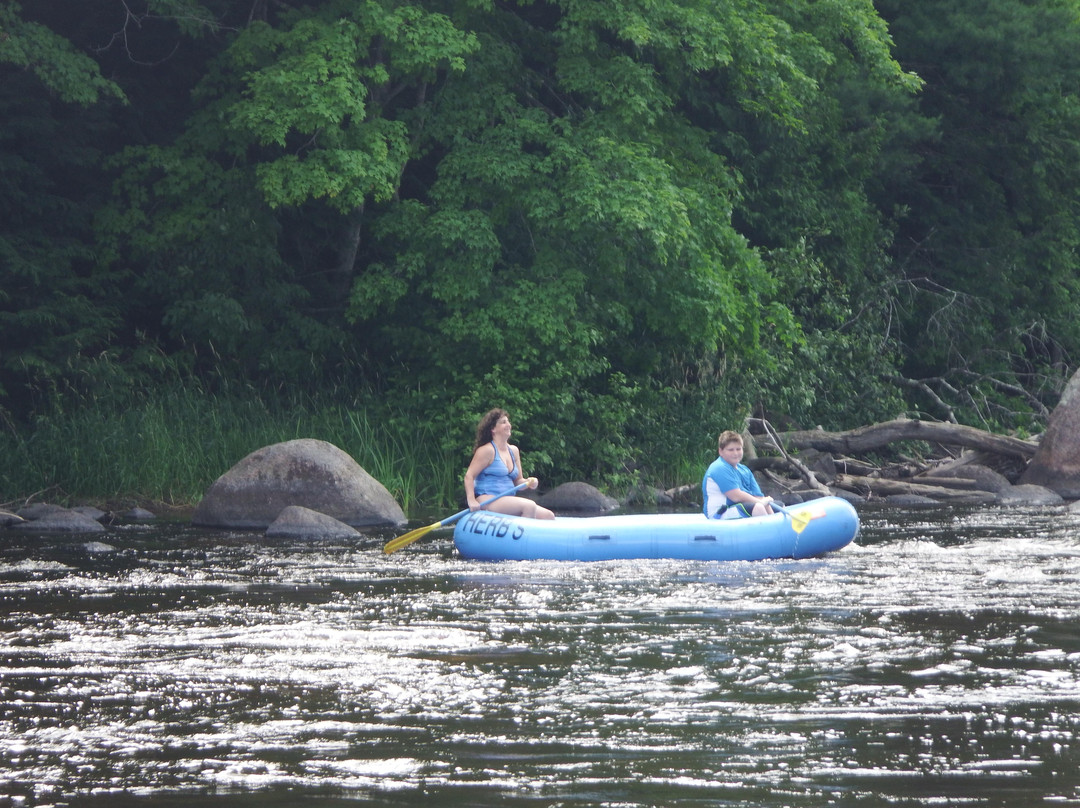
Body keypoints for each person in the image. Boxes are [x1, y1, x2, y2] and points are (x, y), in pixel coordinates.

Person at [464, 408, 555, 520]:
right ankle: (522, 536)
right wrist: (471, 500)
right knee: (529, 506)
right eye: (503, 422)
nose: (508, 425)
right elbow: (469, 476)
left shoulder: (514, 451)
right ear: (493, 429)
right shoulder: (487, 450)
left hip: (506, 499)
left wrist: (529, 482)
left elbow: (518, 481)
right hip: (488, 499)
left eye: (508, 421)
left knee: (549, 516)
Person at [702, 430, 775, 519]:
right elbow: (736, 496)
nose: (735, 453)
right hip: (719, 513)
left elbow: (758, 496)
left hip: (737, 507)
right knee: (758, 507)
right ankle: (770, 530)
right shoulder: (719, 467)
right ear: (721, 451)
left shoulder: (744, 470)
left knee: (777, 505)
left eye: (738, 449)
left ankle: (777, 529)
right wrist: (761, 502)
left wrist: (765, 502)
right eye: (731, 450)